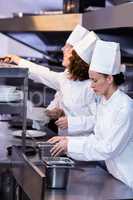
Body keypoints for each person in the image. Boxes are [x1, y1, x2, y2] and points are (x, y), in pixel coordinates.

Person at [48, 40, 133, 188]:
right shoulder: (104, 102)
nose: (91, 85)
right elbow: (97, 138)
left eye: (94, 80)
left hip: (128, 178)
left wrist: (71, 145)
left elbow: (108, 148)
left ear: (109, 78)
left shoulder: (124, 107)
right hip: (115, 175)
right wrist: (67, 139)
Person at [0, 30, 99, 136]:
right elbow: (44, 75)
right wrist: (17, 60)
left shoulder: (93, 86)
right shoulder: (67, 76)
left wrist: (71, 122)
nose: (62, 49)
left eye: (67, 47)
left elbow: (100, 121)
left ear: (77, 56)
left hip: (83, 146)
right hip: (64, 143)